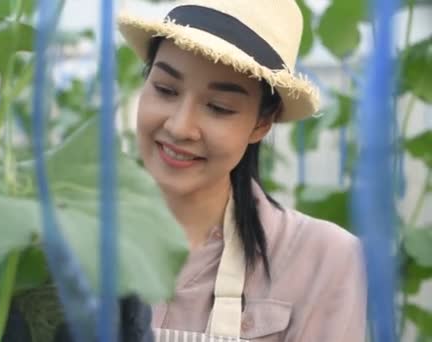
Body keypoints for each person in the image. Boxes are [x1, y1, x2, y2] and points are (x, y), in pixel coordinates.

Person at [117, 0, 367, 341]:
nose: (179, 127)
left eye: (219, 108)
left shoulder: (325, 261)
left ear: (262, 122)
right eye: (165, 89)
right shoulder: (71, 237)